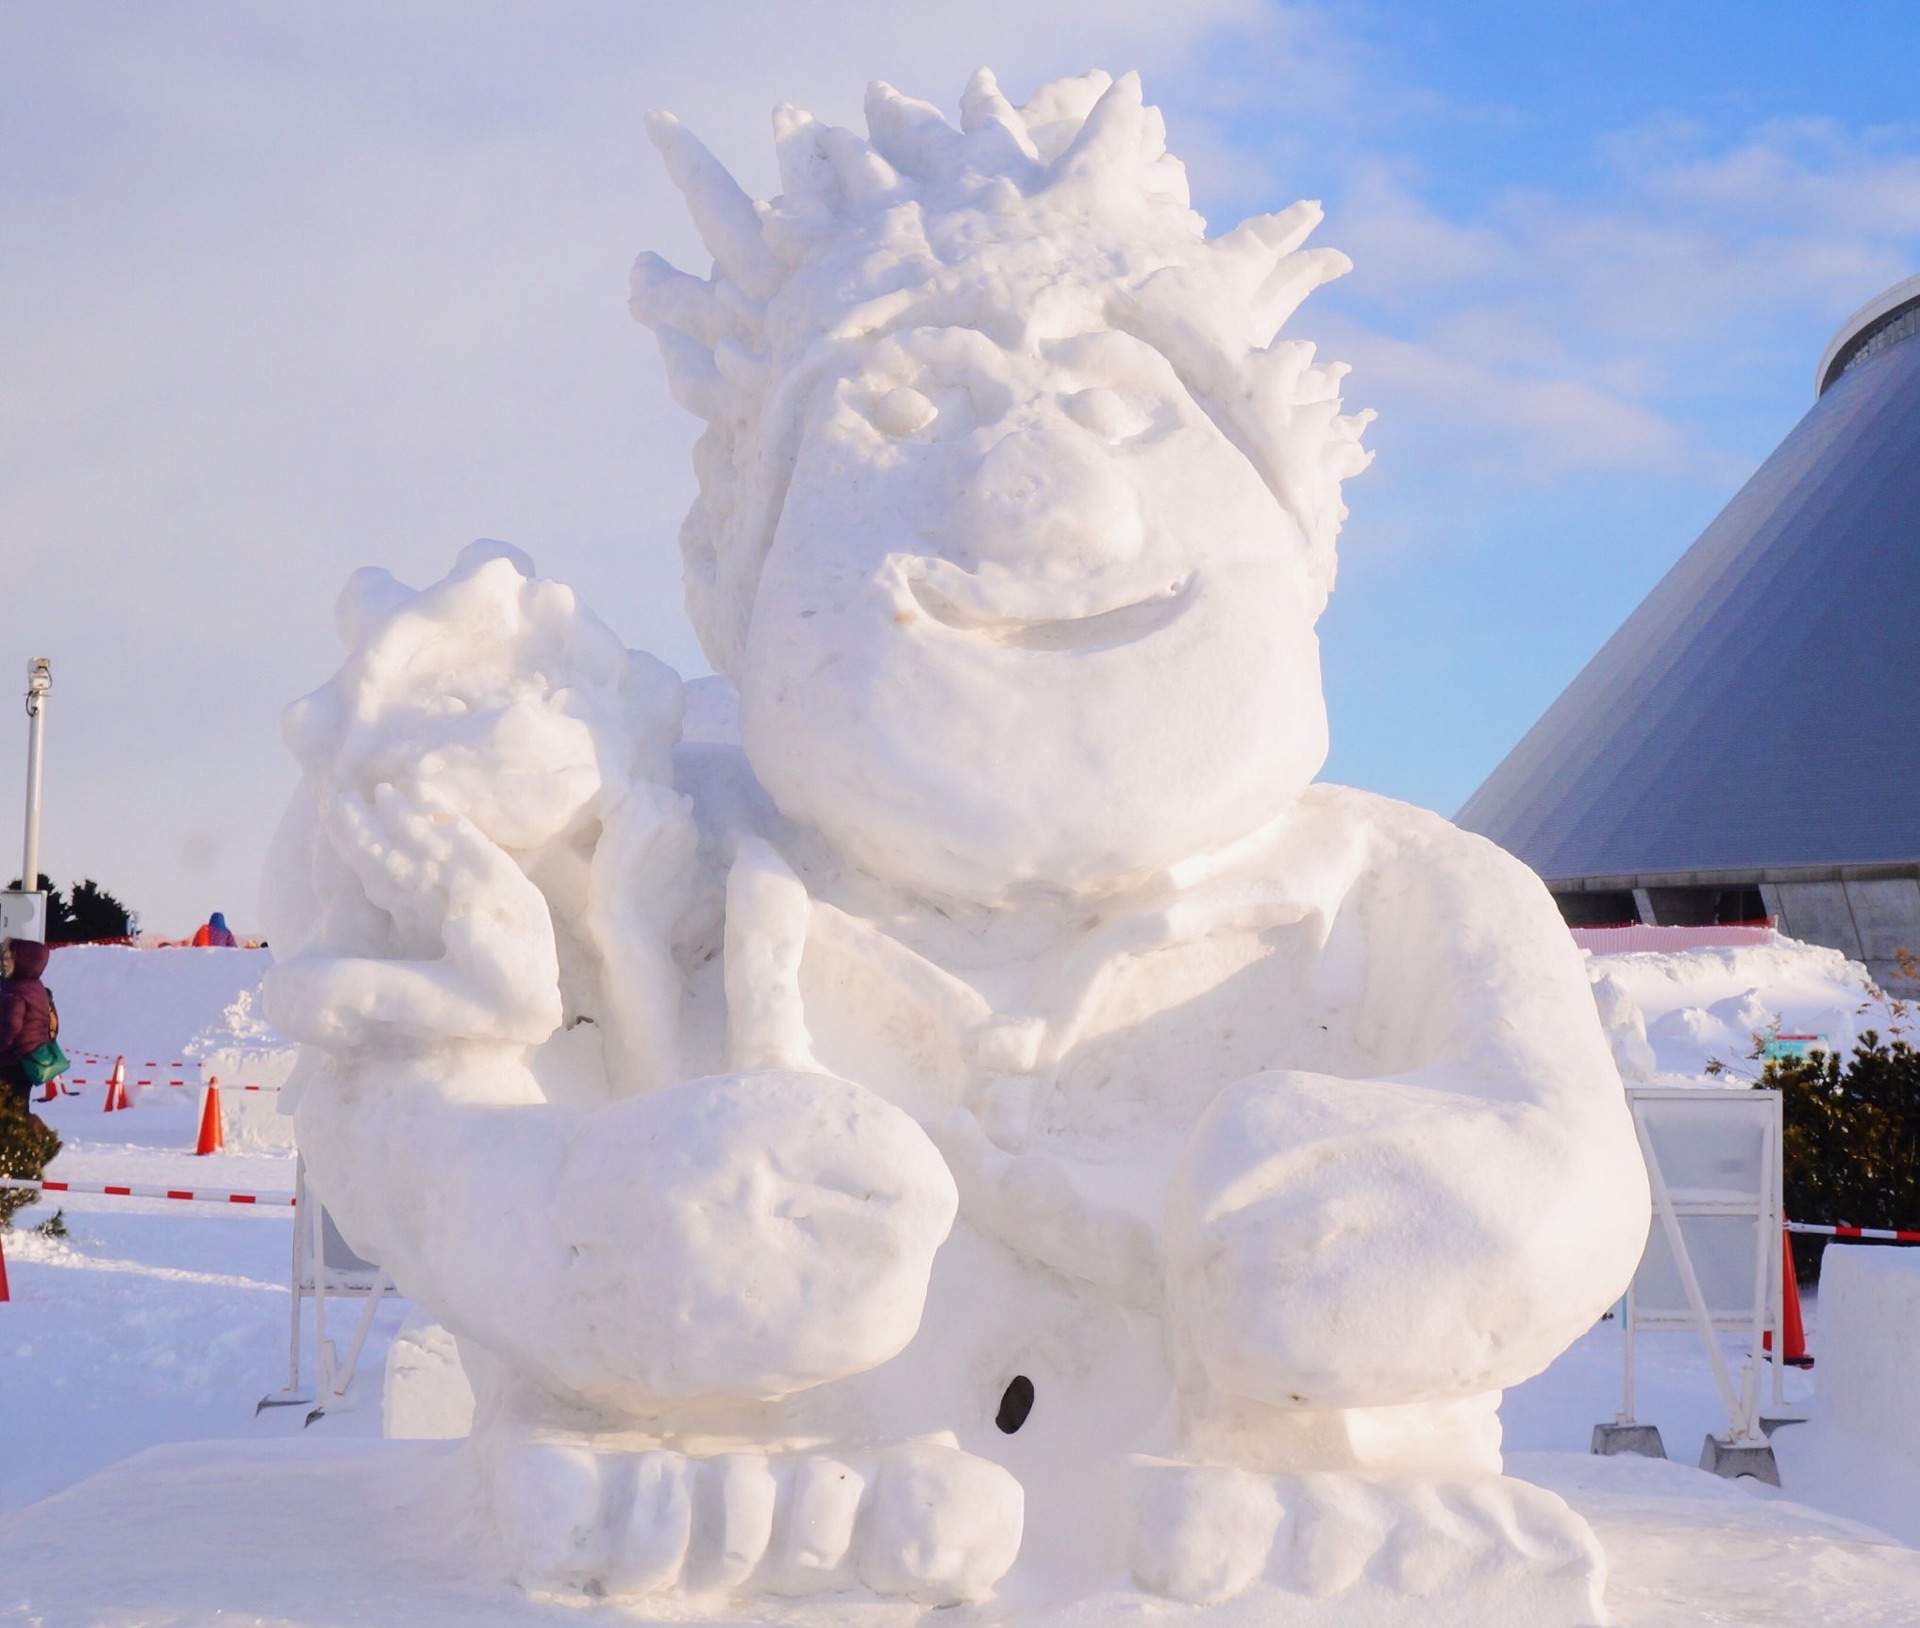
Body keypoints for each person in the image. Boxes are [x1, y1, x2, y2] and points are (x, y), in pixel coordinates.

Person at [0, 938, 54, 1115]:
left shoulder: (17, 990)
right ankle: (32, 1140)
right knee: (19, 1107)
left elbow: (12, 1025)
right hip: (31, 1057)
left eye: (8, 959)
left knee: (12, 1112)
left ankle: (29, 1141)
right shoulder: (36, 986)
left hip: (14, 1060)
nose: (4, 964)